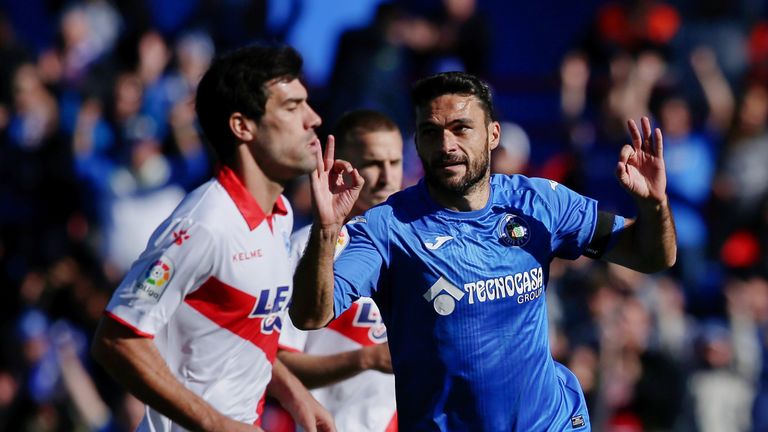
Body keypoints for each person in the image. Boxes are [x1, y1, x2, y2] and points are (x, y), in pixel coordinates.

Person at [291, 71, 677, 430]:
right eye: (431, 132)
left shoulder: (539, 202)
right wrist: (327, 229)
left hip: (549, 421)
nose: (447, 145)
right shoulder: (387, 227)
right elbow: (311, 315)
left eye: (461, 128)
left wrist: (655, 205)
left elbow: (651, 256)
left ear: (492, 134)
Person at [91, 44, 335, 432]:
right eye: (292, 107)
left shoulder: (281, 215)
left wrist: (293, 392)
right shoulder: (205, 224)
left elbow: (238, 333)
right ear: (243, 126)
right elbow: (117, 339)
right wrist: (217, 424)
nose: (314, 118)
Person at [279, 109, 402, 431]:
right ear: (345, 168)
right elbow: (276, 361)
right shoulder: (308, 248)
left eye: (395, 162)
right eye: (374, 163)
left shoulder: (416, 243)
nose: (387, 177)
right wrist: (366, 358)